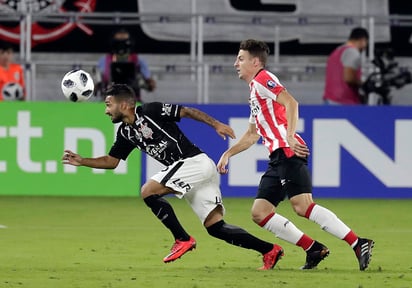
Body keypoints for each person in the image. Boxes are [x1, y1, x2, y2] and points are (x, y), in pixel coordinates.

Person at [62, 83, 285, 270]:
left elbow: (186, 111)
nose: (106, 111)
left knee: (147, 190)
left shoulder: (150, 111)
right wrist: (82, 161)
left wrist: (215, 123)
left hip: (193, 162)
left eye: (108, 105)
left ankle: (182, 239)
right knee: (216, 227)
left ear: (125, 104)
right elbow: (111, 161)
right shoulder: (125, 133)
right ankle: (269, 250)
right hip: (193, 172)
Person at [217, 39, 374, 271]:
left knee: (302, 206)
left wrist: (290, 136)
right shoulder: (254, 92)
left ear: (255, 61)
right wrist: (228, 153)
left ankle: (358, 242)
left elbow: (291, 102)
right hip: (276, 156)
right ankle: (313, 248)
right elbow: (251, 135)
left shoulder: (262, 79)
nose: (235, 64)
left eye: (240, 59)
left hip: (287, 151)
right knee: (260, 213)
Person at [96, 28, 156, 102]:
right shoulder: (104, 60)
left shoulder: (138, 61)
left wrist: (146, 83)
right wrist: (97, 86)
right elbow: (97, 85)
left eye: (124, 43)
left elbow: (150, 85)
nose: (121, 46)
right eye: (119, 43)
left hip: (133, 101)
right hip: (109, 102)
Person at [323, 27, 369, 104]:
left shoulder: (337, 50)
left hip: (330, 99)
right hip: (343, 102)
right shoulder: (352, 52)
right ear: (362, 40)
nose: (365, 47)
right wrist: (363, 84)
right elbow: (349, 78)